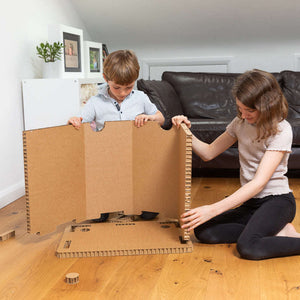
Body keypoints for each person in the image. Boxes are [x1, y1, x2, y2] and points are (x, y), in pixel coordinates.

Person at [172, 69, 300, 260]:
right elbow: (208, 152)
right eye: (240, 108)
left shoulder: (281, 130)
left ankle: (273, 233)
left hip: (277, 201)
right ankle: (276, 231)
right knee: (203, 231)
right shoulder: (239, 123)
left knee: (248, 247)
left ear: (268, 106)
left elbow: (259, 183)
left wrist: (212, 208)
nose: (244, 114)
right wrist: (184, 130)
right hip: (251, 204)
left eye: (250, 110)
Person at [69, 49, 165, 222]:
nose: (122, 93)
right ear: (106, 79)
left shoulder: (141, 98)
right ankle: (107, 202)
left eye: (128, 87)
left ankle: (138, 200)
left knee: (150, 213)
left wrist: (150, 117)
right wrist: (75, 120)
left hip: (137, 158)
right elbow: (82, 120)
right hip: (107, 159)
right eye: (117, 87)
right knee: (98, 215)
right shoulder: (95, 102)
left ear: (135, 81)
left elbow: (161, 118)